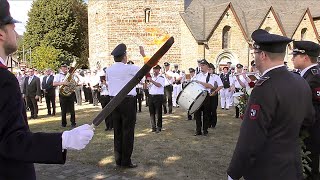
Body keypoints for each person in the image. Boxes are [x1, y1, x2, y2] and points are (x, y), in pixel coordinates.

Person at [0, 1, 94, 179]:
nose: (14, 28)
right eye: (10, 24)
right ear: (1, 34)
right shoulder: (4, 80)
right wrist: (64, 140)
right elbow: (10, 141)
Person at [227, 29, 315, 180]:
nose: (255, 58)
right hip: (292, 166)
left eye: (255, 54)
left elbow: (251, 136)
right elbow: (309, 119)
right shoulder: (300, 81)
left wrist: (234, 172)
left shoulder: (265, 87)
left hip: (267, 169)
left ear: (263, 55)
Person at [106, 43, 140, 168]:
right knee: (128, 131)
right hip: (127, 101)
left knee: (118, 130)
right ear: (124, 56)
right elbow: (142, 77)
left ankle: (118, 159)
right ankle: (126, 160)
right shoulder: (130, 68)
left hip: (113, 101)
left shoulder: (108, 69)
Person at [291, 40, 320, 180]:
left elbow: (311, 109)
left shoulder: (314, 77)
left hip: (311, 131)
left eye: (295, 55)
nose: (292, 58)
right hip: (308, 130)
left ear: (305, 57)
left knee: (310, 167)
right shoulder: (306, 75)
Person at [193, 59, 215, 136]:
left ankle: (205, 130)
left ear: (207, 67)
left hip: (206, 96)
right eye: (201, 65)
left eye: (203, 65)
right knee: (197, 114)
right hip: (197, 96)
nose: (201, 67)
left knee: (206, 114)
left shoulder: (210, 76)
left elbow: (211, 86)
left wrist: (200, 82)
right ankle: (198, 130)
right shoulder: (197, 75)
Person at [53, 63, 77, 128]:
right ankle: (64, 123)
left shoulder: (71, 75)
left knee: (72, 109)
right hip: (62, 94)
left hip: (70, 93)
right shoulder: (58, 75)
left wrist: (71, 84)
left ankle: (73, 123)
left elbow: (75, 83)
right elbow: (54, 83)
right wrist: (63, 83)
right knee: (63, 109)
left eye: (66, 67)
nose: (65, 69)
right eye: (63, 67)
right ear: (61, 68)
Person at [147, 65, 165, 133]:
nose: (155, 71)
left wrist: (151, 81)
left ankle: (159, 127)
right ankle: (153, 127)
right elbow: (149, 86)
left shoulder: (161, 77)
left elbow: (159, 85)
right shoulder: (152, 77)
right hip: (151, 96)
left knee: (158, 113)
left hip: (158, 96)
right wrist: (148, 83)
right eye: (154, 69)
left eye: (156, 69)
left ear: (159, 70)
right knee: (152, 113)